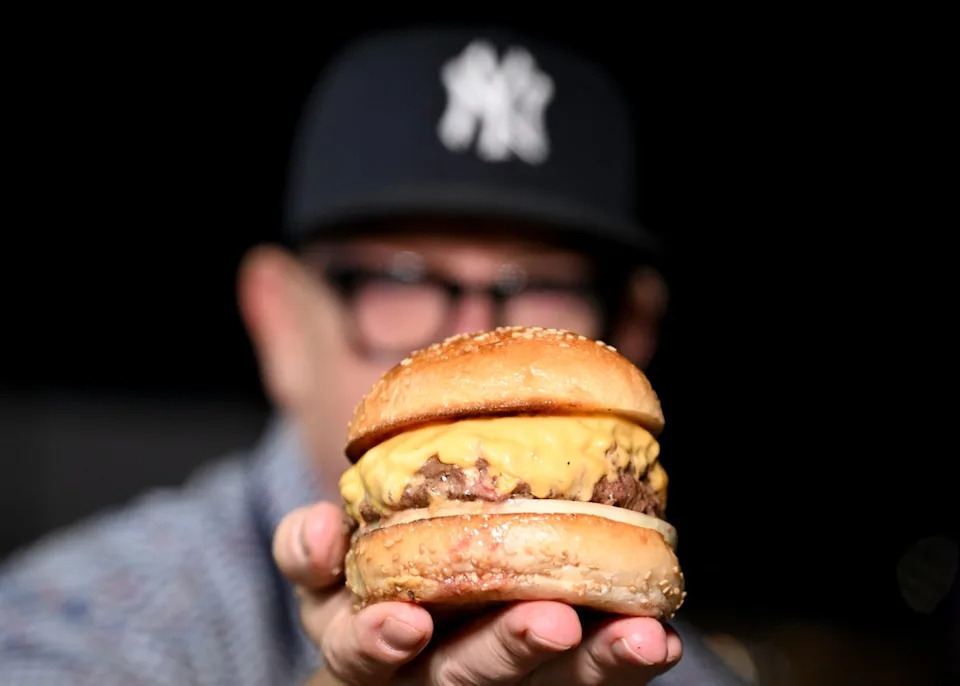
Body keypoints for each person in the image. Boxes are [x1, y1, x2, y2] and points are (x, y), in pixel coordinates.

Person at [0, 25, 748, 685]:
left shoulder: (684, 672)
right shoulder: (90, 613)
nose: (467, 341)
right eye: (400, 277)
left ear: (633, 332)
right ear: (279, 322)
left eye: (545, 285)